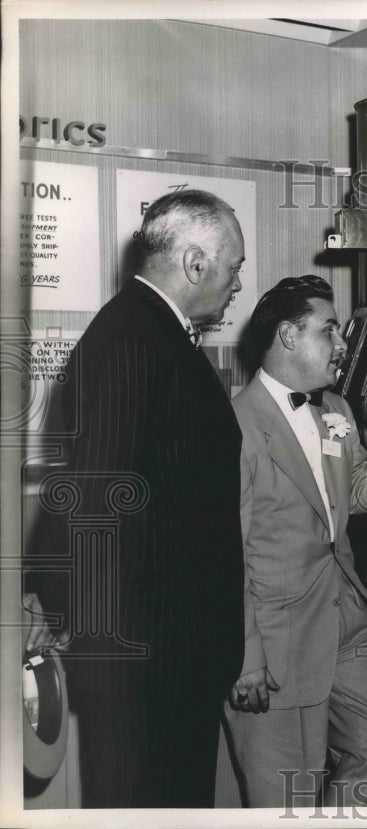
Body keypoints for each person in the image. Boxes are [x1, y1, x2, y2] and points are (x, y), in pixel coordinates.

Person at [24, 189, 247, 807]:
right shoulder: (132, 340)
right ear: (196, 263)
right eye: (234, 267)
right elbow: (96, 501)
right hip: (147, 662)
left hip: (169, 653)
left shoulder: (155, 334)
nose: (235, 284)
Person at [224, 275, 367, 808]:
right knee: (288, 793)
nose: (343, 344)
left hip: (348, 618)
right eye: (330, 330)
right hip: (278, 637)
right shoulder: (233, 426)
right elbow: (222, 555)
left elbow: (349, 496)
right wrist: (245, 658)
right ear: (287, 336)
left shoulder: (336, 412)